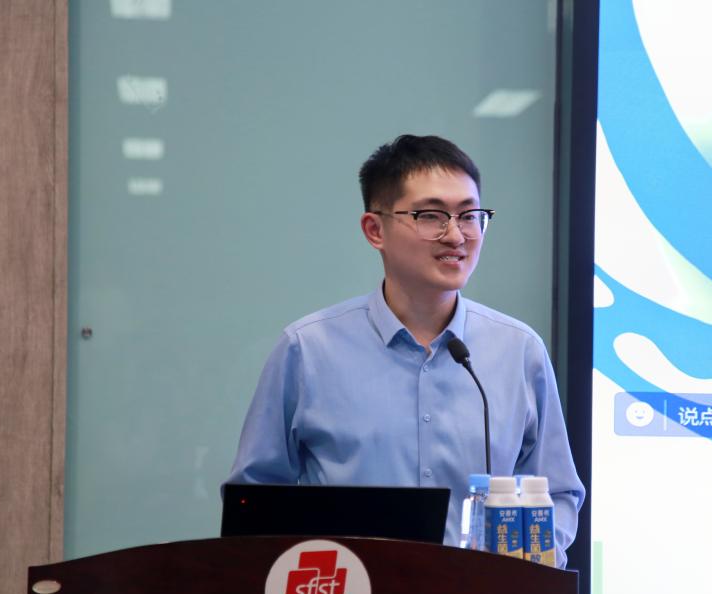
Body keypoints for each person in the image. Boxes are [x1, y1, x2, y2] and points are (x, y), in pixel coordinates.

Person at [224, 134, 584, 566]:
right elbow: (254, 504)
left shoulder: (518, 351)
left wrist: (527, 568)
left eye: (470, 215)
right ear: (375, 229)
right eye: (431, 216)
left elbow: (558, 494)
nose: (456, 235)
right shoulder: (307, 350)